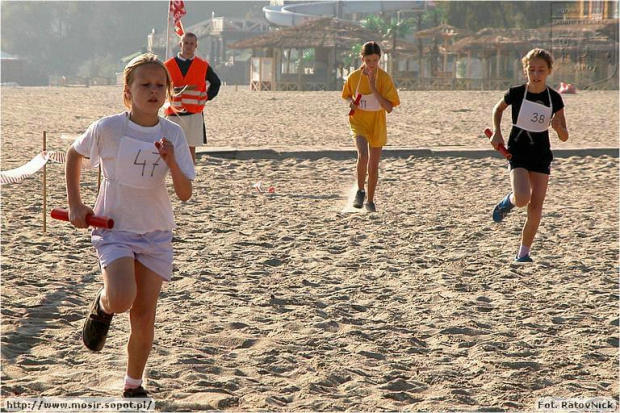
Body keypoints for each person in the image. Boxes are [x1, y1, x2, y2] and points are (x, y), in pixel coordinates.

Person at [65, 53, 195, 397]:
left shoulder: (174, 134)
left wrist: (171, 161)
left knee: (144, 314)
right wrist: (76, 204)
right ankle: (104, 305)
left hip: (155, 233)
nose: (153, 91)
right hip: (114, 228)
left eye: (159, 85)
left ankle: (133, 385)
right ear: (128, 89)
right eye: (145, 85)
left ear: (168, 91)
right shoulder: (109, 128)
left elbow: (184, 194)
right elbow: (74, 154)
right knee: (122, 297)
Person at [489, 48, 569, 262]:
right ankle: (509, 201)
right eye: (531, 69)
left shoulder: (554, 98)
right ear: (525, 70)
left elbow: (564, 136)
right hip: (517, 151)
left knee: (536, 206)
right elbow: (498, 109)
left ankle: (523, 253)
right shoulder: (516, 92)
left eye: (541, 70)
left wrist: (558, 127)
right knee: (523, 198)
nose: (536, 74)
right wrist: (497, 131)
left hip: (541, 154)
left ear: (549, 71)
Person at [342, 41, 400, 212]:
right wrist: (351, 102)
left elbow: (389, 108)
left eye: (375, 60)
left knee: (373, 165)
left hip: (377, 124)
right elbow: (346, 95)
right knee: (363, 156)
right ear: (362, 59)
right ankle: (360, 191)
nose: (372, 64)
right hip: (359, 121)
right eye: (369, 61)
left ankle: (371, 200)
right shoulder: (354, 77)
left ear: (379, 59)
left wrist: (374, 88)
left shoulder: (384, 78)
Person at [164, 32, 221, 164]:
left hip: (194, 114)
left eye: (191, 44)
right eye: (186, 43)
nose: (188, 46)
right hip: (173, 113)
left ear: (196, 46)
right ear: (180, 44)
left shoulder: (202, 65)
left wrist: (206, 97)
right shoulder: (167, 65)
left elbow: (216, 83)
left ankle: (188, 177)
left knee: (190, 150)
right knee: (171, 148)